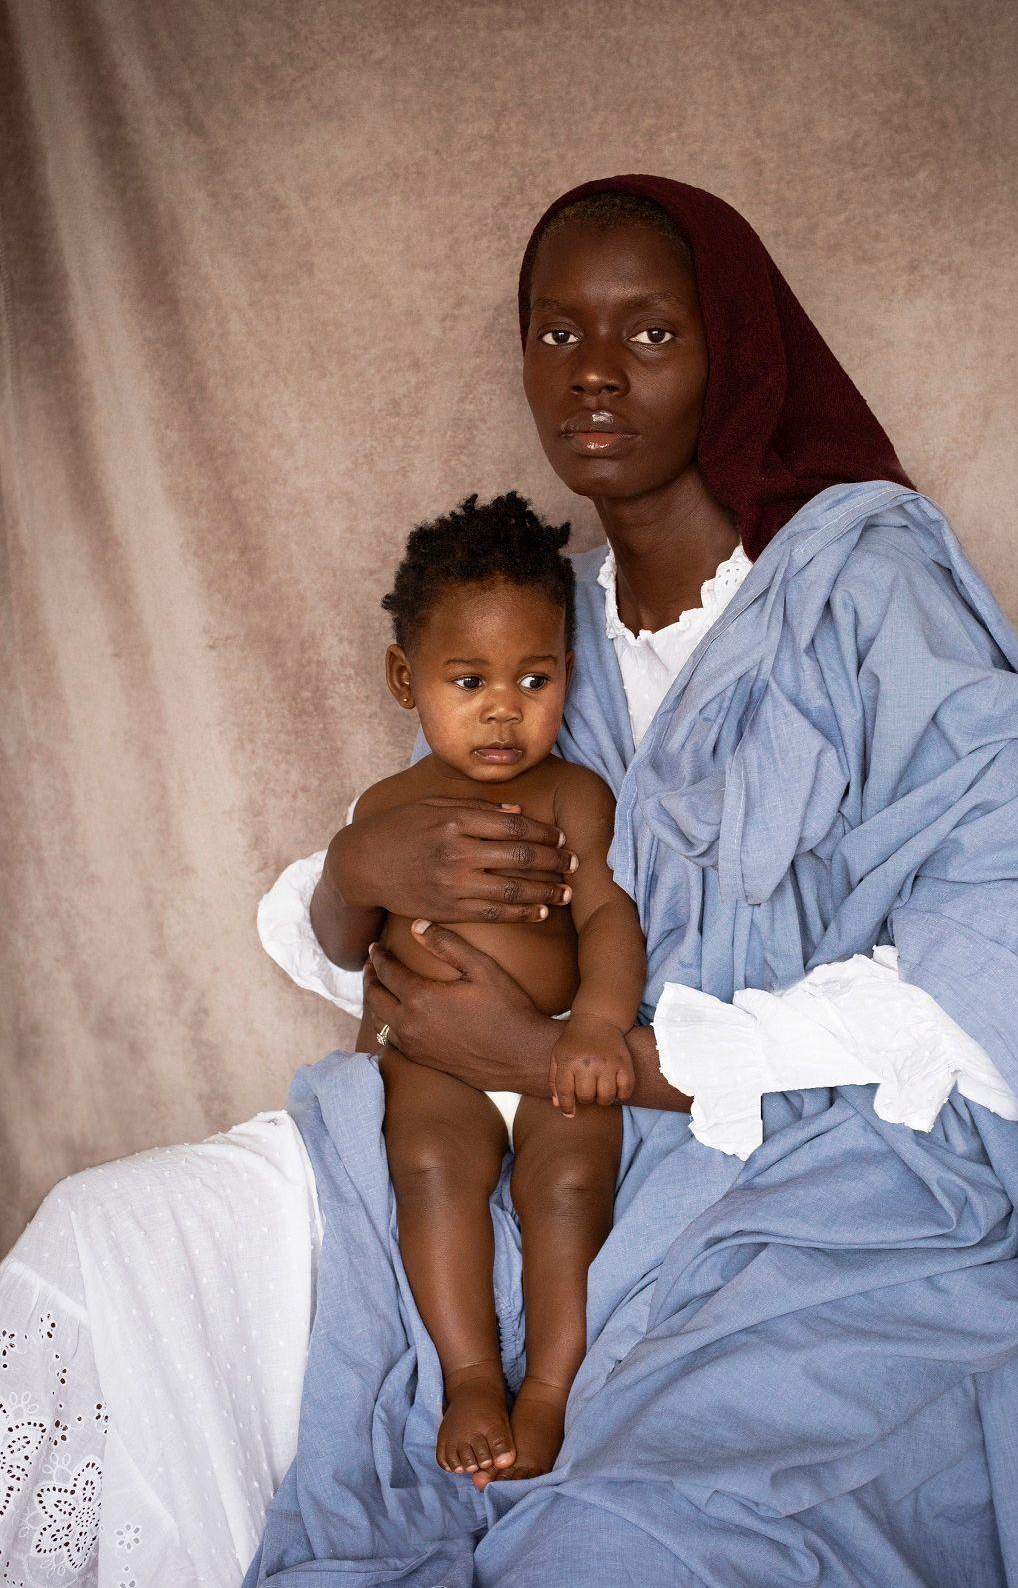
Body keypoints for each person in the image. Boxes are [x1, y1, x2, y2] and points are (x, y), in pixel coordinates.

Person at [2, 175, 1018, 1588]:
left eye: (648, 334)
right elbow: (410, 926)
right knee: (109, 1238)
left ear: (733, 354)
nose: (594, 377)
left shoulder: (861, 585)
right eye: (557, 335)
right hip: (509, 1125)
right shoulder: (538, 621)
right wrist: (354, 863)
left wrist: (608, 1060)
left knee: (619, 1537)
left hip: (832, 1165)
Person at [342, 490, 645, 1485]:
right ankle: (473, 1374)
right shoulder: (387, 809)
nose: (505, 708)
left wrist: (597, 1026)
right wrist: (353, 864)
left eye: (535, 676)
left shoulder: (572, 794)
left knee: (567, 1187)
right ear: (406, 678)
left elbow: (606, 916)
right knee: (427, 1170)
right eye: (468, 680)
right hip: (435, 1064)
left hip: (554, 1041)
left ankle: (550, 1391)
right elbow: (350, 941)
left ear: (568, 672)